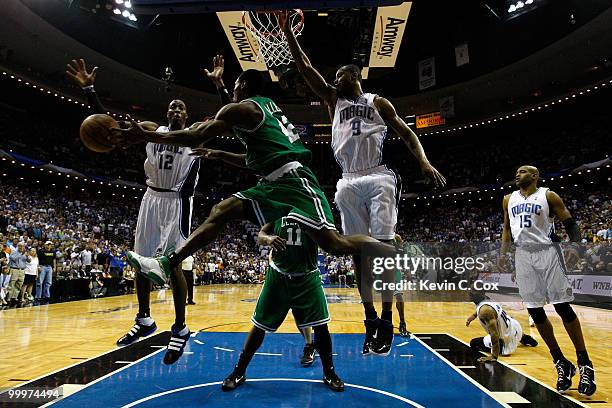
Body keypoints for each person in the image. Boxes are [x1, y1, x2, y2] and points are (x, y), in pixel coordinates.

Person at [117, 66, 398, 365]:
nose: (233, 92)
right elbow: (253, 155)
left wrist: (143, 134)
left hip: (296, 182)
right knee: (222, 210)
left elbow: (197, 133)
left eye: (235, 86)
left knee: (334, 244)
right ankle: (167, 263)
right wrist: (220, 149)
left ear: (242, 86)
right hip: (272, 183)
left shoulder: (248, 109)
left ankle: (387, 247)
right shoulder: (260, 111)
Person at [279, 12, 446, 354]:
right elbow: (306, 68)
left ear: (354, 77)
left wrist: (424, 161)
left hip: (378, 175)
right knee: (358, 254)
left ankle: (387, 318)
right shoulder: (333, 101)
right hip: (348, 181)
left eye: (340, 75)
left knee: (382, 253)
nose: (334, 79)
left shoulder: (377, 102)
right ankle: (370, 316)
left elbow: (406, 132)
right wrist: (290, 37)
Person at [66, 59, 202, 359]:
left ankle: (180, 327)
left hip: (177, 202)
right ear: (167, 114)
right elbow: (110, 126)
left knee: (173, 264)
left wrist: (220, 87)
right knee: (139, 261)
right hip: (151, 198)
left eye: (180, 108)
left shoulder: (195, 135)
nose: (175, 111)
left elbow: (225, 119)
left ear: (187, 114)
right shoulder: (152, 130)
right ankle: (144, 319)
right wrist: (90, 90)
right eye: (171, 108)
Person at [499, 165, 595, 396]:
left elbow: (569, 223)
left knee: (562, 308)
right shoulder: (507, 199)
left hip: (548, 252)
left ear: (534, 176)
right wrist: (504, 254)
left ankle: (585, 363)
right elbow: (506, 230)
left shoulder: (548, 195)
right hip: (523, 255)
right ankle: (561, 362)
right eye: (516, 171)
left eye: (522, 171)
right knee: (536, 312)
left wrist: (577, 246)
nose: (517, 174)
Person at [222, 216, 343, 392]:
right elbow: (261, 234)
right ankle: (238, 371)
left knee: (321, 326)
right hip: (278, 277)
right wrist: (268, 239)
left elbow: (331, 239)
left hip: (307, 277)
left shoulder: (314, 209)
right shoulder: (279, 207)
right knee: (259, 326)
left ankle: (329, 373)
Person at [466, 298, 538, 361]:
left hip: (505, 340)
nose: (470, 293)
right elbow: (477, 311)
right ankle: (523, 337)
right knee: (509, 329)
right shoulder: (488, 302)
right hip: (515, 327)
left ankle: (503, 345)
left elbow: (494, 334)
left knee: (474, 343)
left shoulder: (485, 311)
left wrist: (494, 356)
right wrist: (472, 317)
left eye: (473, 291)